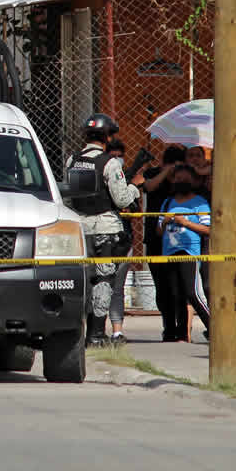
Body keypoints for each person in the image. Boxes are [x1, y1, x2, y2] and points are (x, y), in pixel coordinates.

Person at [62, 113, 144, 347]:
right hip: (105, 230)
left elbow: (69, 194)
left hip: (78, 227)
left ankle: (77, 331)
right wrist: (134, 189)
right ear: (108, 137)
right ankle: (96, 335)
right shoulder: (110, 163)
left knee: (81, 279)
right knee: (104, 280)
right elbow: (121, 200)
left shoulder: (72, 159)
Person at [157, 164, 213, 340]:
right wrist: (165, 222)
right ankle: (182, 333)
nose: (181, 181)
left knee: (192, 292)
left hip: (189, 251)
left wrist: (186, 223)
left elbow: (209, 229)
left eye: (185, 178)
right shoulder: (167, 203)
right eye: (178, 178)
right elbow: (158, 231)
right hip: (169, 252)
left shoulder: (200, 203)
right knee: (176, 294)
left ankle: (214, 328)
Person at [142, 144, 187, 341]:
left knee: (180, 287)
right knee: (162, 287)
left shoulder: (184, 179)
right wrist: (165, 172)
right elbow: (148, 186)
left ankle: (182, 329)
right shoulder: (154, 174)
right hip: (156, 239)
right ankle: (168, 327)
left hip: (179, 240)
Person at [104, 139, 135, 344]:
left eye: (119, 156)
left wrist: (130, 188)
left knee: (117, 287)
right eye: (112, 155)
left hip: (123, 239)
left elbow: (133, 209)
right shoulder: (103, 180)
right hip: (105, 236)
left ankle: (117, 331)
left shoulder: (124, 180)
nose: (117, 159)